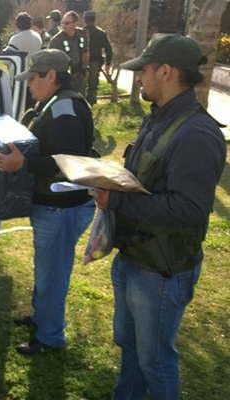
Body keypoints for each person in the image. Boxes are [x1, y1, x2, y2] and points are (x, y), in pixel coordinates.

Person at [93, 34, 226, 400]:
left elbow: (189, 210)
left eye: (145, 71)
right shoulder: (159, 119)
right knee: (130, 347)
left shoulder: (196, 134)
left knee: (156, 362)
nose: (140, 78)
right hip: (135, 259)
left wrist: (116, 202)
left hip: (161, 272)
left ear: (166, 71)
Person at [0, 49, 96, 356]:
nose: (29, 86)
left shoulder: (65, 108)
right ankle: (42, 318)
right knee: (46, 269)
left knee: (53, 274)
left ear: (50, 75)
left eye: (33, 79)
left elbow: (65, 160)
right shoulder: (56, 102)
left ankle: (50, 336)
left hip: (62, 208)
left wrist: (22, 164)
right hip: (54, 205)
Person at [49, 11, 89, 95]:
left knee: (80, 100)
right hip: (64, 78)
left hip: (79, 75)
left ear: (75, 23)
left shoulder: (82, 34)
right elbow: (52, 63)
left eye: (66, 23)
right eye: (62, 23)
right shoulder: (56, 40)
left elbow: (85, 52)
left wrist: (85, 68)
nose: (63, 25)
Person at [83, 10, 112, 105]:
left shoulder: (80, 32)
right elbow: (109, 49)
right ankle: (90, 106)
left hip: (81, 62)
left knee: (81, 85)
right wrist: (107, 64)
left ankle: (81, 105)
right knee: (93, 86)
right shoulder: (101, 33)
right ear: (94, 19)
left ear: (84, 20)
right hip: (95, 62)